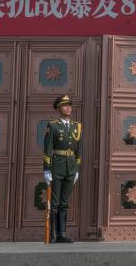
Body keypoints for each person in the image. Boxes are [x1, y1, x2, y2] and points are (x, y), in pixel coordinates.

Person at [43, 94, 81, 244]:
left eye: (69, 106)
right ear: (59, 108)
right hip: (57, 167)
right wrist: (47, 169)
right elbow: (48, 149)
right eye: (64, 106)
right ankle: (52, 234)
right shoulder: (53, 125)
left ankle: (62, 234)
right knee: (55, 202)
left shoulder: (77, 126)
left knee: (65, 202)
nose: (68, 108)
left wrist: (77, 168)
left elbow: (78, 149)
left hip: (71, 167)